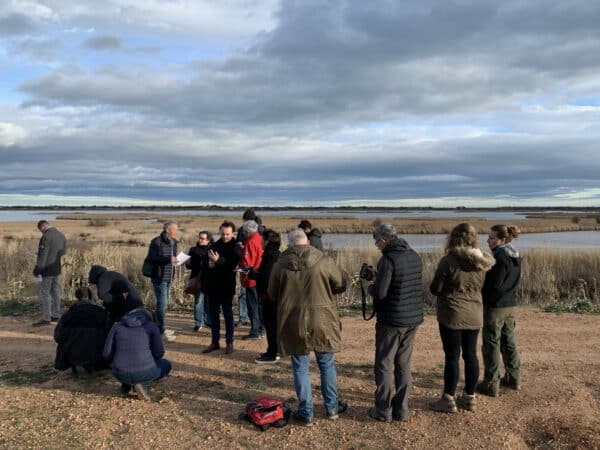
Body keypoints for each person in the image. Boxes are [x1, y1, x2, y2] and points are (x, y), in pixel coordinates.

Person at [268, 229, 348, 426]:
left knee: (300, 366)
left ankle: (306, 412)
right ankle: (332, 407)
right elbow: (339, 284)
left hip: (293, 320)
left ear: (290, 244)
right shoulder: (323, 260)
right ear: (307, 242)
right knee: (326, 363)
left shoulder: (280, 264)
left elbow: (271, 293)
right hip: (322, 319)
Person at [428, 223, 495, 413]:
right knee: (471, 355)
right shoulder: (481, 261)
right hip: (474, 312)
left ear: (453, 238)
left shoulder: (448, 261)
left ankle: (448, 398)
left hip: (452, 313)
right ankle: (469, 397)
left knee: (452, 356)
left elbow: (435, 288)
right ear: (473, 238)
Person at [365, 224, 424, 422]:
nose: (376, 245)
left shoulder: (388, 259)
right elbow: (401, 282)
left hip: (392, 320)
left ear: (383, 239)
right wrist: (378, 276)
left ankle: (383, 409)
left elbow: (380, 292)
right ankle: (402, 409)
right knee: (403, 363)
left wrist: (370, 286)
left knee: (384, 364)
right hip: (412, 318)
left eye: (376, 242)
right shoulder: (413, 255)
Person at [478, 225, 522, 396]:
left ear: (502, 240)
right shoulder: (515, 255)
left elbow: (494, 286)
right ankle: (514, 378)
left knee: (491, 344)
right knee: (508, 341)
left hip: (495, 306)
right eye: (488, 237)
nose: (488, 241)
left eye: (492, 238)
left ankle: (491, 383)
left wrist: (483, 298)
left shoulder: (499, 257)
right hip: (510, 304)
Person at [103, 307, 171, 401]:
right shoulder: (151, 326)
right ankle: (142, 384)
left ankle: (126, 385)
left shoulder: (116, 326)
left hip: (120, 372)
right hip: (144, 371)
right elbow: (159, 353)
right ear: (151, 317)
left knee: (126, 366)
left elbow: (106, 353)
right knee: (166, 365)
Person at [54, 287, 110, 378]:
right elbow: (109, 334)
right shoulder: (101, 313)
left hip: (74, 355)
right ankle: (94, 366)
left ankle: (78, 364)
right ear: (91, 297)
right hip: (98, 355)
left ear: (77, 297)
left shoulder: (68, 314)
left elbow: (57, 336)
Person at [202, 221, 241, 355]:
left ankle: (229, 342)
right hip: (213, 286)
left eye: (228, 234)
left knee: (228, 315)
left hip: (226, 286)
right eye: (223, 234)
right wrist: (209, 265)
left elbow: (232, 264)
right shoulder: (214, 245)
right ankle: (215, 342)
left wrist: (218, 261)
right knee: (213, 316)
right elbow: (206, 262)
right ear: (219, 232)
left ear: (233, 233)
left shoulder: (236, 247)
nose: (225, 236)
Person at [248, 229, 281, 364]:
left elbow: (267, 278)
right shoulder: (277, 254)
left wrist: (252, 273)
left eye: (262, 239)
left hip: (269, 296)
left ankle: (272, 354)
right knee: (275, 324)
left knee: (271, 325)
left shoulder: (269, 256)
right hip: (275, 295)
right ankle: (276, 350)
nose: (260, 241)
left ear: (267, 241)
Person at [146, 221, 179, 341]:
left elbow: (173, 259)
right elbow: (152, 258)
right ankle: (160, 331)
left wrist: (176, 261)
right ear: (168, 230)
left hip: (170, 276)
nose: (176, 231)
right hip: (159, 278)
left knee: (163, 304)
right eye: (175, 229)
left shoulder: (174, 242)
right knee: (162, 304)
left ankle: (161, 327)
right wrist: (168, 259)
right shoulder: (156, 242)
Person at [32, 220, 67, 326]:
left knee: (45, 292)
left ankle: (46, 318)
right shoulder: (61, 235)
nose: (41, 233)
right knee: (56, 291)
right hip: (56, 268)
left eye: (41, 231)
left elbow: (43, 256)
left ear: (42, 227)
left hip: (47, 269)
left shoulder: (46, 237)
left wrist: (38, 269)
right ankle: (56, 315)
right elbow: (63, 252)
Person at [239, 220, 264, 340]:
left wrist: (240, 268)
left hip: (251, 278)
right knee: (259, 304)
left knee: (252, 305)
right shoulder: (260, 238)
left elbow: (247, 263)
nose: (243, 234)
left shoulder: (250, 242)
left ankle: (255, 331)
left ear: (248, 231)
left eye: (244, 232)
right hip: (260, 276)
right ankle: (261, 329)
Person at [186, 230, 212, 332]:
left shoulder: (213, 249)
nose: (200, 240)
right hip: (198, 279)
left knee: (209, 301)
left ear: (208, 240)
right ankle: (198, 323)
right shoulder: (193, 250)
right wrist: (187, 263)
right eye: (199, 238)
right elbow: (189, 266)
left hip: (210, 279)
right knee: (198, 301)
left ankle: (208, 321)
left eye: (203, 238)